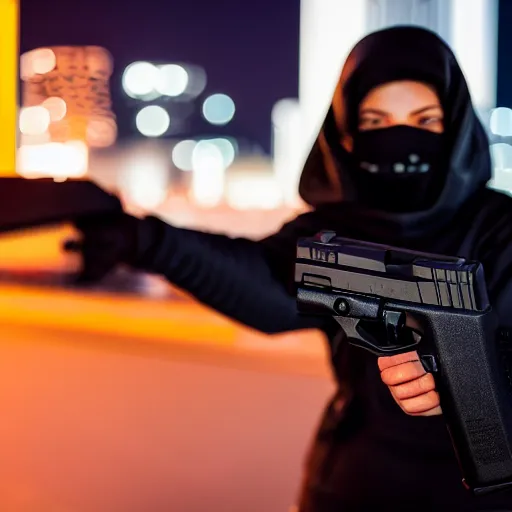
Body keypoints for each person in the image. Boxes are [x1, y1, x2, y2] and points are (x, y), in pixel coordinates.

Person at [69, 26, 512, 511]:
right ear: (345, 134)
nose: (398, 137)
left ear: (457, 126)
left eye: (424, 120)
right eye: (374, 121)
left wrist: (483, 377)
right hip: (355, 481)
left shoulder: (501, 227)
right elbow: (268, 284)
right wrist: (144, 240)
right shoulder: (330, 229)